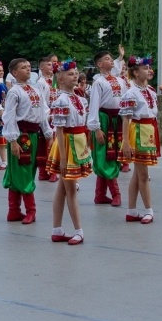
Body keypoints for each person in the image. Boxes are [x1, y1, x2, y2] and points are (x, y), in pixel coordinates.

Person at [46, 60, 92, 245]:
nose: (75, 75)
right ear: (60, 78)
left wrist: (86, 144)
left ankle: (57, 229)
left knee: (63, 188)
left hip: (78, 142)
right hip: (66, 143)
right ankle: (78, 230)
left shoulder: (80, 99)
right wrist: (63, 158)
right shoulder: (61, 100)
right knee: (70, 188)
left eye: (76, 73)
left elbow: (83, 126)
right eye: (70, 73)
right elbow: (59, 130)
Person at [2, 59, 53, 224]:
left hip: (34, 134)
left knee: (28, 170)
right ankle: (30, 211)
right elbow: (9, 116)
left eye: (29, 67)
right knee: (21, 171)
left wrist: (48, 133)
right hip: (21, 136)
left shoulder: (36, 88)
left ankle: (14, 211)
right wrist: (13, 140)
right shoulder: (14, 92)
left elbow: (43, 113)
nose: (28, 69)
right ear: (14, 73)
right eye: (23, 68)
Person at [119, 56, 159, 224]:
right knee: (143, 174)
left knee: (137, 173)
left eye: (149, 67)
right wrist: (126, 143)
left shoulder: (150, 91)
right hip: (138, 132)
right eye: (144, 68)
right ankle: (148, 209)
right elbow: (126, 119)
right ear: (135, 72)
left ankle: (131, 209)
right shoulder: (131, 93)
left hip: (148, 131)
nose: (149, 70)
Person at [88, 51, 129, 206]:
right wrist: (96, 128)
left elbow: (124, 100)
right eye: (107, 59)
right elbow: (94, 105)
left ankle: (100, 195)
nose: (111, 60)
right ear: (99, 64)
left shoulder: (120, 80)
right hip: (105, 119)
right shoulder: (98, 82)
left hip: (118, 119)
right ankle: (115, 193)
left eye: (111, 58)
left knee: (113, 154)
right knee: (104, 154)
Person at [37, 56, 59, 182]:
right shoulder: (41, 83)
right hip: (47, 116)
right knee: (45, 144)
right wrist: (47, 114)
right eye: (49, 64)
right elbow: (42, 102)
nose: (52, 66)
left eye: (52, 64)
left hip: (54, 115)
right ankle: (44, 171)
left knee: (53, 144)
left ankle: (52, 171)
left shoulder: (55, 80)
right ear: (41, 67)